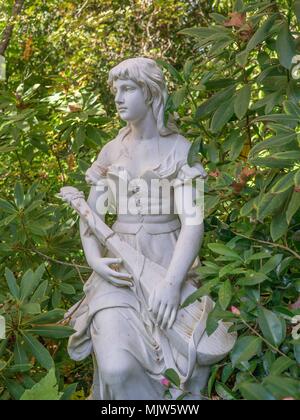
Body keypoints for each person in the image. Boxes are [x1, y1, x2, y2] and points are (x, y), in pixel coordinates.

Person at [66, 57, 209, 400]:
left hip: (168, 262)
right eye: (116, 89)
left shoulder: (181, 150)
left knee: (187, 365)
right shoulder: (111, 150)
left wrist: (173, 284)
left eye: (127, 89)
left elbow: (193, 222)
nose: (118, 97)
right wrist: (94, 261)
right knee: (117, 367)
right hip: (118, 267)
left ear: (150, 93)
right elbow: (91, 217)